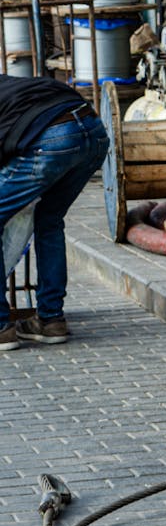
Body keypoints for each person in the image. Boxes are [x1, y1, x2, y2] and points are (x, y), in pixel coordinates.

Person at [0, 74, 109, 349]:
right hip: (93, 131)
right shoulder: (11, 85)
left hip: (53, 136)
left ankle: (1, 327)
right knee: (49, 219)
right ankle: (50, 320)